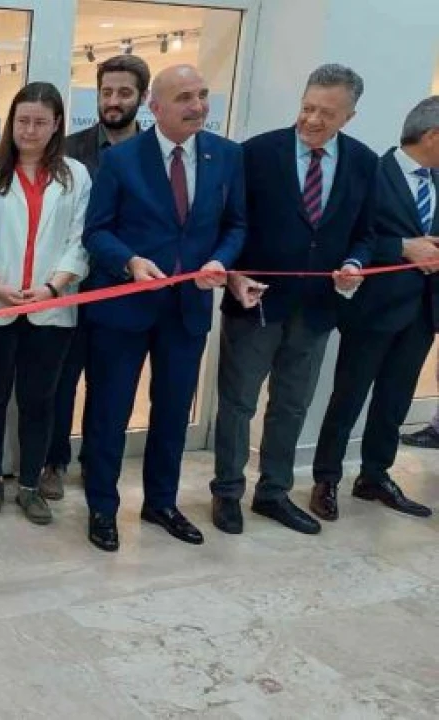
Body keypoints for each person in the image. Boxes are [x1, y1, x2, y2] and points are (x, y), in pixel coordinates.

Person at [81, 64, 245, 552]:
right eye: (184, 98)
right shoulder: (121, 160)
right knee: (109, 411)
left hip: (187, 309)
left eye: (202, 94)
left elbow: (236, 225)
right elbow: (96, 231)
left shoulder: (226, 155)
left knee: (173, 412)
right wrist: (130, 261)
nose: (198, 106)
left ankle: (161, 503)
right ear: (155, 107)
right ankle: (102, 507)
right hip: (124, 309)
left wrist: (220, 261)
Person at [210, 64, 378, 537]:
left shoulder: (363, 162)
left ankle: (274, 492)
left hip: (318, 309)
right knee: (238, 403)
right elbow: (230, 224)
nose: (312, 120)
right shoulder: (256, 153)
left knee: (292, 405)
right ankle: (227, 491)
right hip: (256, 304)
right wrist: (232, 275)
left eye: (327, 113)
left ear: (350, 116)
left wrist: (355, 263)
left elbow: (366, 233)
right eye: (307, 107)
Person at [0, 82, 91, 525]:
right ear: (11, 122)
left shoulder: (76, 175)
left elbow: (81, 240)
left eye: (40, 122)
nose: (30, 130)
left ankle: (30, 485)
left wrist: (53, 289)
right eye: (22, 121)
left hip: (51, 307)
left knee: (40, 399)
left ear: (57, 124)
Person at [310, 96, 439, 521]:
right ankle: (326, 478)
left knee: (395, 399)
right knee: (348, 397)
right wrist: (402, 247)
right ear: (432, 136)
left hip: (423, 311)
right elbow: (346, 237)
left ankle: (375, 475)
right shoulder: (371, 173)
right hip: (374, 308)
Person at [48, 54, 150, 498]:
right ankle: (53, 461)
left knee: (109, 389)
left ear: (142, 97)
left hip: (123, 291)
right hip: (71, 288)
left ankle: (96, 462)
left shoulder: (152, 154)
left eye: (124, 92)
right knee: (60, 383)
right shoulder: (68, 150)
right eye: (106, 91)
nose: (113, 101)